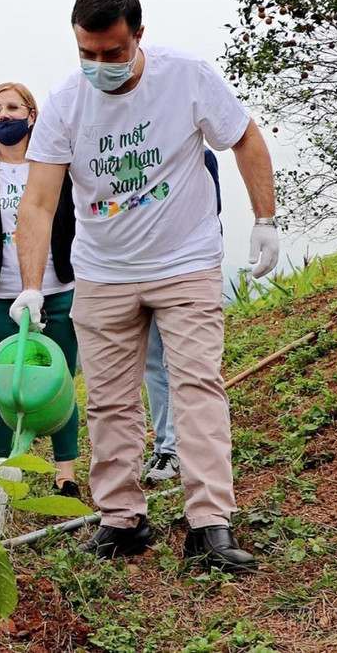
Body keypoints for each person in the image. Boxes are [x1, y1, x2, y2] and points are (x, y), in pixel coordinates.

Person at [10, 0, 279, 569]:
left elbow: (245, 138)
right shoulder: (63, 103)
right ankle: (121, 518)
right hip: (102, 272)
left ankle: (210, 524)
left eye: (111, 52)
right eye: (87, 53)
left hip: (185, 261)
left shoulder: (186, 77)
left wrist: (266, 218)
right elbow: (37, 201)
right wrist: (31, 285)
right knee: (108, 400)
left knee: (197, 389)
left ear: (138, 36)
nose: (99, 65)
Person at [0, 82, 81, 498]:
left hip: (58, 288)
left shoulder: (56, 166)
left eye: (12, 107)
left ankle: (66, 474)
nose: (4, 115)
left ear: (32, 114)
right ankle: (1, 472)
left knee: (59, 383)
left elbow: (77, 224)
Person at [143, 148, 221, 483]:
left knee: (183, 363)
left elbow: (211, 213)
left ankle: (177, 449)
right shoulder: (141, 157)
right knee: (152, 362)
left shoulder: (201, 156)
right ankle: (165, 446)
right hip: (137, 271)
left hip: (184, 271)